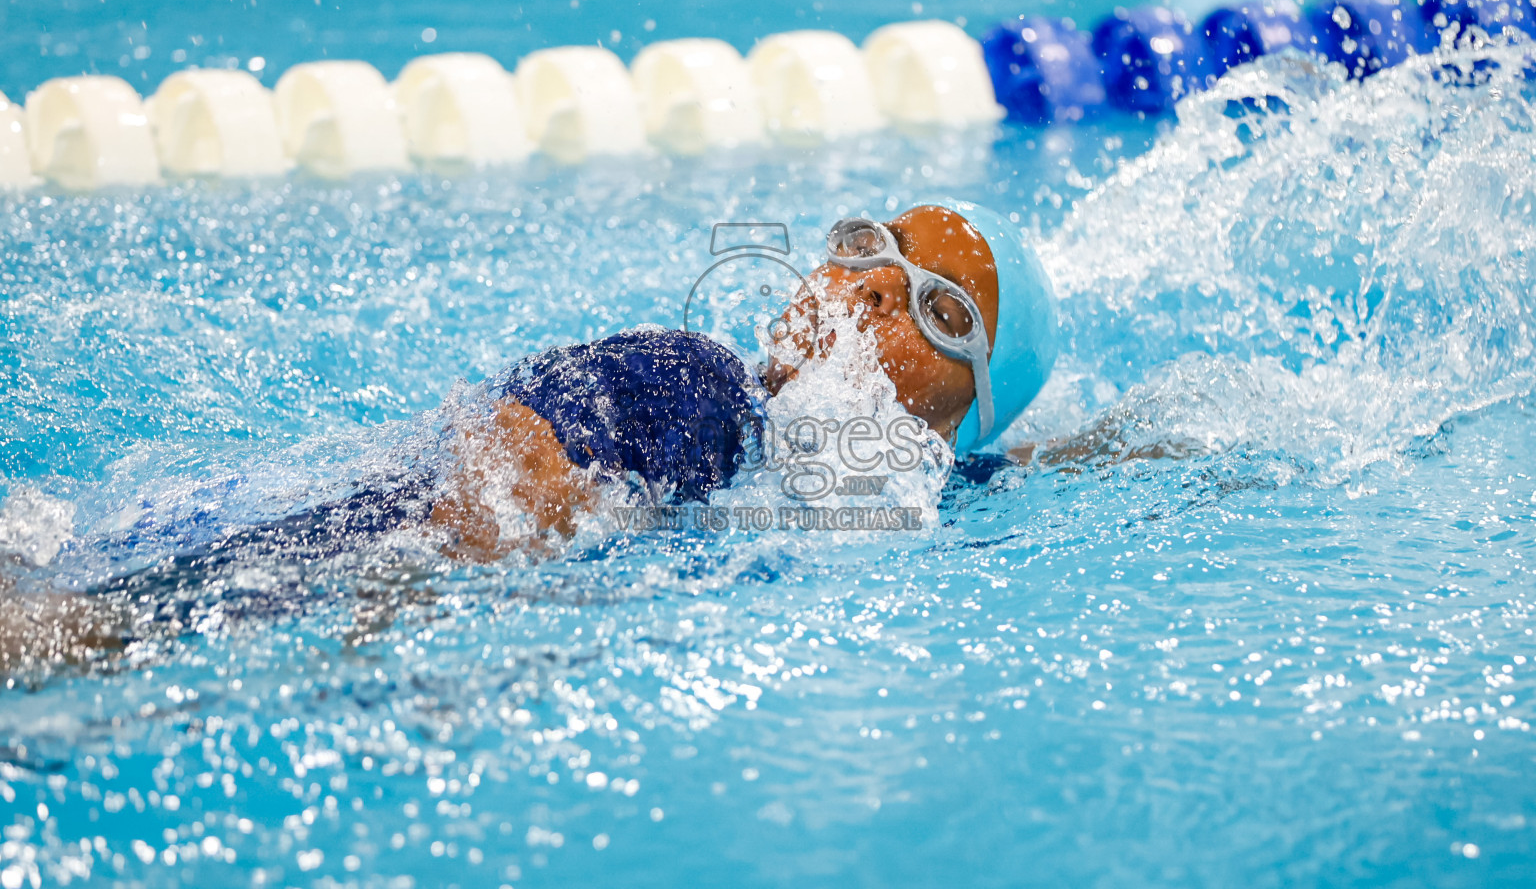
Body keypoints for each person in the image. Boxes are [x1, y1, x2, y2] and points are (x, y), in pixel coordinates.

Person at [0, 199, 1058, 669]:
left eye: (940, 311)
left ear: (961, 417)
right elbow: (484, 482)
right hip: (256, 575)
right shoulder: (690, 388)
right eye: (876, 245)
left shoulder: (898, 500)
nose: (873, 287)